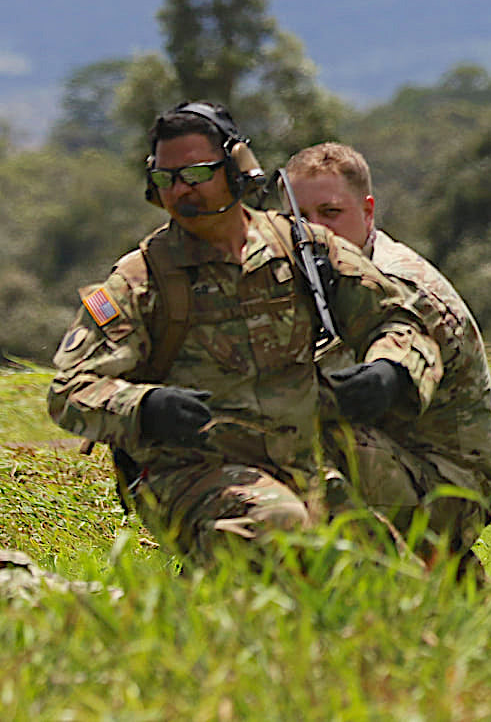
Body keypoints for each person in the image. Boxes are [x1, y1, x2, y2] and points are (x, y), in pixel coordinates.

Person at [46, 102, 440, 565]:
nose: (179, 191)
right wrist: (145, 407)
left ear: (235, 170)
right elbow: (70, 391)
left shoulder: (302, 249)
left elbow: (401, 319)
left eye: (195, 174)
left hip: (300, 465)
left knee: (397, 583)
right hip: (188, 475)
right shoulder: (142, 281)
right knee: (283, 529)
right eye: (165, 178)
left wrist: (390, 370)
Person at [284, 142, 491, 573]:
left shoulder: (400, 286)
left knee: (306, 440)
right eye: (300, 219)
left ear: (367, 212)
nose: (315, 231)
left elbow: (360, 390)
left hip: (449, 487)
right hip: (388, 460)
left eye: (330, 214)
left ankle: (415, 578)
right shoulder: (315, 279)